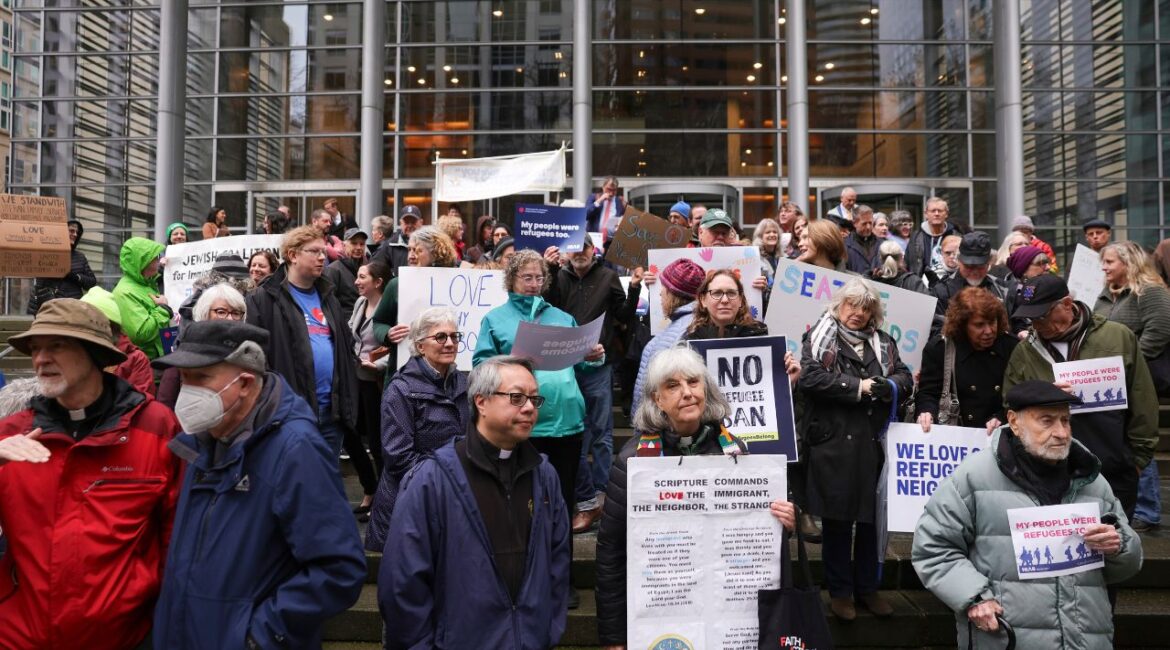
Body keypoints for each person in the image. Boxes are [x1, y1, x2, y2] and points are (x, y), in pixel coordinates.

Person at [152, 320, 366, 649]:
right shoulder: (199, 443)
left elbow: (339, 568)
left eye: (201, 378)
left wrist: (258, 637)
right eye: (183, 379)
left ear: (245, 383)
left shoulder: (296, 449)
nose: (187, 392)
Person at [0, 298, 183, 649]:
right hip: (20, 636)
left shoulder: (155, 427)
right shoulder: (10, 434)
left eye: (57, 345)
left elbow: (175, 537)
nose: (40, 359)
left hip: (124, 636)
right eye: (36, 348)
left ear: (95, 354)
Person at [912, 381, 1142, 649]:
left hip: (1086, 637)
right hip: (1009, 636)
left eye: (1065, 421)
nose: (1061, 432)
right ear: (1014, 422)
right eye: (1047, 421)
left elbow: (1128, 561)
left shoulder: (1092, 479)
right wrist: (974, 597)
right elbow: (933, 548)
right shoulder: (973, 477)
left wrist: (1118, 546)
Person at [595, 347, 796, 648]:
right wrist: (613, 638)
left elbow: (755, 531)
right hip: (662, 616)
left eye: (693, 382)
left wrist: (784, 522)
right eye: (672, 386)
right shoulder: (632, 461)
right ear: (656, 399)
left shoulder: (735, 450)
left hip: (727, 615)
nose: (687, 393)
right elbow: (610, 553)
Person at [379, 356, 569, 649]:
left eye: (534, 398)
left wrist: (549, 628)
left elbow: (557, 560)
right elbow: (403, 580)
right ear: (481, 402)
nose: (530, 407)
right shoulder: (433, 478)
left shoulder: (543, 475)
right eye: (517, 397)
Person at [474, 249, 605, 609]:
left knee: (560, 505)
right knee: (519, 505)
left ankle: (559, 581)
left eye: (538, 277)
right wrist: (513, 363)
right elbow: (480, 366)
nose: (533, 284)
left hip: (567, 423)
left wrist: (594, 357)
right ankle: (519, 579)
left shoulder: (561, 316)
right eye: (526, 277)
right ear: (511, 280)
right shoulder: (496, 319)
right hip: (522, 427)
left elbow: (581, 368)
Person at [798, 277, 913, 621]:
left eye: (866, 308)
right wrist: (857, 387)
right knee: (836, 523)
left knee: (870, 522)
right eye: (852, 305)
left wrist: (888, 385)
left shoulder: (884, 342)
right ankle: (840, 592)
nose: (858, 313)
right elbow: (810, 378)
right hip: (832, 444)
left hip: (872, 444)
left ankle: (867, 589)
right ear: (839, 306)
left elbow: (906, 379)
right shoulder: (818, 338)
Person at [1004, 273, 1158, 518]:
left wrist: (1137, 460)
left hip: (1112, 468)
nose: (1036, 324)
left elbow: (1143, 400)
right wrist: (1045, 394)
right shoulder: (1025, 351)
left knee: (1113, 544)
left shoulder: (1117, 337)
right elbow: (1011, 402)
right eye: (1030, 318)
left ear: (1067, 304)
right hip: (1049, 469)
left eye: (1042, 315)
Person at [543, 234, 643, 534]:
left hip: (599, 364)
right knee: (576, 430)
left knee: (601, 432)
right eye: (573, 249)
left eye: (583, 248)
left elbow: (624, 314)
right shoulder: (558, 277)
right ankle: (581, 491)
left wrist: (635, 288)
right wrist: (548, 271)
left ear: (592, 250)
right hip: (566, 364)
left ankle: (601, 490)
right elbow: (546, 308)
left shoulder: (609, 276)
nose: (579, 254)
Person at [246, 226, 360, 458]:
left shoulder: (329, 297)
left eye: (324, 252)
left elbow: (344, 349)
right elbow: (255, 358)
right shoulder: (264, 299)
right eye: (315, 251)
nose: (322, 257)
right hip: (289, 414)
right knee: (292, 485)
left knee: (323, 484)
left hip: (332, 414)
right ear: (293, 255)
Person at [365, 307, 469, 552]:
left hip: (452, 501)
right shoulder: (400, 390)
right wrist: (449, 477)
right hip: (411, 504)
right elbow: (399, 457)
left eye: (455, 337)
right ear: (420, 346)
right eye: (441, 337)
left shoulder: (463, 382)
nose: (450, 343)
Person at [1094, 241, 1170, 532]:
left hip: (1138, 380)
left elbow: (1160, 330)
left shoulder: (1150, 292)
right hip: (1110, 381)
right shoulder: (1103, 296)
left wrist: (1130, 362)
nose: (1104, 267)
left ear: (1128, 263)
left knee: (1139, 440)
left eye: (1110, 262)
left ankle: (1147, 510)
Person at [917, 287, 1018, 434]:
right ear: (962, 325)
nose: (989, 331)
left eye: (992, 322)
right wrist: (927, 412)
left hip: (998, 434)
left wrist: (1001, 417)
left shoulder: (1010, 346)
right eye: (979, 325)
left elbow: (1020, 394)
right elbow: (928, 391)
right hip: (955, 434)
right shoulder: (941, 348)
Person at [371, 226, 458, 375]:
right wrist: (387, 333)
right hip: (403, 372)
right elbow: (378, 321)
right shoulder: (397, 284)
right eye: (409, 249)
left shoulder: (456, 283)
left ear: (435, 253)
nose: (411, 255)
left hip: (448, 373)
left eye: (418, 250)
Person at [631, 257, 706, 415]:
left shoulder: (683, 332)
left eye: (663, 287)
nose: (660, 293)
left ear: (674, 293)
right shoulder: (689, 325)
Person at [348, 259, 393, 520]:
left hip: (377, 380)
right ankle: (370, 489)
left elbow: (398, 343)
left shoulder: (390, 307)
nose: (356, 281)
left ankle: (382, 499)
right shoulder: (360, 303)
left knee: (378, 442)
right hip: (357, 377)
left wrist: (380, 366)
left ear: (378, 282)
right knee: (352, 435)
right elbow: (354, 334)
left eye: (362, 277)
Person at [157, 283, 248, 409]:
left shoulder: (248, 355)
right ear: (205, 314)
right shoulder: (183, 356)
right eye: (221, 312)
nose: (230, 319)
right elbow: (165, 407)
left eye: (236, 313)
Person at [930, 231, 1022, 338]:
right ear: (959, 261)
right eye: (969, 266)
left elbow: (1018, 321)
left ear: (989, 264)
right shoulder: (941, 291)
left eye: (980, 266)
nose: (974, 272)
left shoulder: (1004, 289)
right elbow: (935, 331)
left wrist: (1021, 330)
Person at [80, 286, 156, 395]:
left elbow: (141, 401)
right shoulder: (73, 354)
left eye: (96, 324)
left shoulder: (135, 359)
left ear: (112, 327)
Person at [112, 236, 172, 359]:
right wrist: (163, 309)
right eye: (154, 257)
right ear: (142, 261)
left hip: (161, 358)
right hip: (147, 363)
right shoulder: (125, 292)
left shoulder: (148, 283)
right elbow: (140, 334)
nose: (158, 259)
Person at [28, 218, 97, 314]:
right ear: (61, 232)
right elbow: (39, 284)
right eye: (72, 231)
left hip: (73, 308)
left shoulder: (80, 257)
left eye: (77, 232)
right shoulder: (47, 254)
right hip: (52, 307)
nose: (75, 235)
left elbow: (92, 282)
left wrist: (76, 277)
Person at [683, 269, 768, 340]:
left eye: (731, 293)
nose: (725, 300)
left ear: (740, 300)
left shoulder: (760, 336)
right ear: (703, 300)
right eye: (717, 293)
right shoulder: (690, 344)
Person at [905, 197, 957, 282]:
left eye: (940, 211)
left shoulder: (956, 236)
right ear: (926, 214)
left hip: (950, 286)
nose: (936, 214)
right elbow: (908, 264)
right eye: (933, 211)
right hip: (920, 288)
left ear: (946, 214)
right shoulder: (915, 237)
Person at [323, 227, 368, 317]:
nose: (359, 247)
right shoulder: (334, 269)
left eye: (362, 244)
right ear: (343, 246)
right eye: (354, 243)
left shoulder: (368, 268)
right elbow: (328, 302)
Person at [372, 204, 424, 274]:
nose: (410, 225)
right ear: (401, 223)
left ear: (421, 222)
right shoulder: (389, 246)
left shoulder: (429, 245)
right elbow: (374, 270)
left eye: (413, 222)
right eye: (406, 222)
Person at [586, 175, 626, 244]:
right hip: (594, 240)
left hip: (611, 242)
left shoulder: (619, 202)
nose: (611, 193)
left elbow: (624, 220)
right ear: (603, 187)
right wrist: (599, 200)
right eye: (609, 189)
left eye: (614, 190)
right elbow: (585, 215)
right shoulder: (594, 197)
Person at [845, 205, 882, 274]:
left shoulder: (882, 244)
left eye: (870, 223)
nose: (868, 227)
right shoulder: (845, 245)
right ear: (854, 223)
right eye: (864, 224)